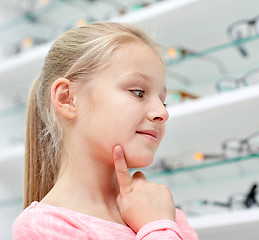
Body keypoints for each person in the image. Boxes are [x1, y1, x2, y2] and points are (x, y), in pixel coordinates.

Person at [12, 22, 198, 239]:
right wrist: (157, 229)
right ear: (67, 98)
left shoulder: (169, 218)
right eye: (138, 92)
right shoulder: (42, 227)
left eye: (163, 102)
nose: (162, 113)